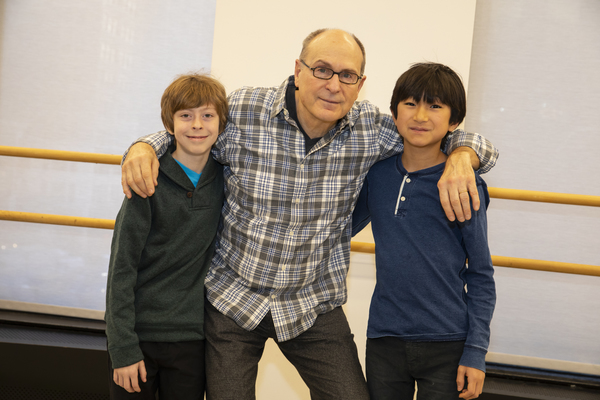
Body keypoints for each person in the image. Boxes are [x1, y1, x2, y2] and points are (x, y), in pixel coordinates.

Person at [121, 29, 499, 399]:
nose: (334, 85)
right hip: (232, 300)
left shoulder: (371, 130)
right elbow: (190, 128)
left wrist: (464, 156)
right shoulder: (245, 111)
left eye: (347, 76)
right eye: (322, 69)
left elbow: (436, 131)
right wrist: (143, 146)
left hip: (312, 305)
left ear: (360, 84)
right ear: (298, 70)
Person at [352, 62, 496, 400]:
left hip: (447, 342)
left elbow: (481, 273)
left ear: (454, 120)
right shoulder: (377, 176)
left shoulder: (463, 183)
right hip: (384, 339)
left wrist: (476, 351)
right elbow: (335, 228)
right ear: (394, 113)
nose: (420, 115)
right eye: (411, 103)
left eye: (435, 106)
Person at [105, 73, 227, 399]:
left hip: (192, 339)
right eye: (185, 115)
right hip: (138, 337)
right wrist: (122, 348)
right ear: (169, 124)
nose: (197, 125)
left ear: (221, 122)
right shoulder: (146, 179)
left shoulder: (228, 179)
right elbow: (121, 269)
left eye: (207, 115)